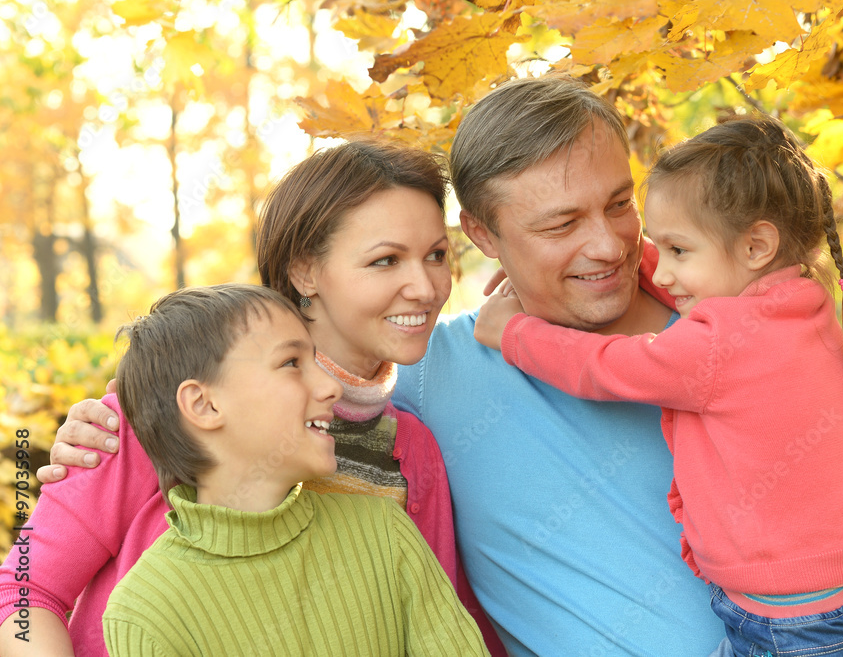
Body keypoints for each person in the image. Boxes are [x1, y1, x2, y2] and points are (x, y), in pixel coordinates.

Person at [35, 77, 843, 656]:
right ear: (484, 235)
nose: (604, 245)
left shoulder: (759, 339)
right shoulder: (436, 381)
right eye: (558, 225)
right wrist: (125, 411)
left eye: (619, 204)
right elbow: (284, 371)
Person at [0, 140, 503, 655]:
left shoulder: (412, 449)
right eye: (385, 260)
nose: (424, 286)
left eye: (437, 255)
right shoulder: (173, 408)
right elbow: (24, 592)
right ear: (304, 271)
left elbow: (432, 618)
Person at [473, 113, 843, 655]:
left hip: (797, 624)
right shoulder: (803, 301)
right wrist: (551, 269)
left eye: (677, 250)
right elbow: (711, 271)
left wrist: (514, 332)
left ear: (755, 247)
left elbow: (605, 366)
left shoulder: (717, 344)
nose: (662, 270)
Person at [99, 283, 488, 654]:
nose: (330, 386)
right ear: (204, 405)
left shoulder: (387, 533)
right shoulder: (144, 610)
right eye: (291, 363)